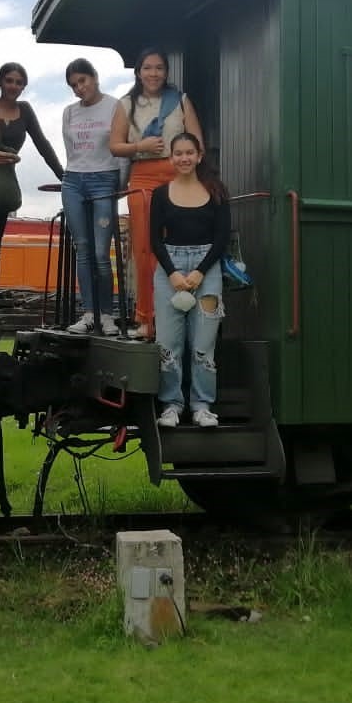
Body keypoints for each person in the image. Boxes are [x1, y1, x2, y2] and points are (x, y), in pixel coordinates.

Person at [109, 49, 203, 339]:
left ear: (166, 72)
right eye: (147, 68)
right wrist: (140, 146)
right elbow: (115, 146)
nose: (153, 73)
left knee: (179, 246)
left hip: (178, 176)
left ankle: (179, 317)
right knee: (145, 248)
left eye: (159, 68)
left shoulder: (181, 100)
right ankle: (147, 319)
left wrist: (186, 166)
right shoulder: (126, 104)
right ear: (138, 72)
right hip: (143, 177)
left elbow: (197, 141)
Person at [149, 132, 230, 428]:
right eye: (178, 153)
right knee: (168, 343)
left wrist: (199, 272)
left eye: (189, 153)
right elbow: (155, 240)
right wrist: (173, 273)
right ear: (171, 158)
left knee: (203, 341)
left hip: (207, 269)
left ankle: (202, 405)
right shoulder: (160, 194)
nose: (184, 158)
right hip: (169, 269)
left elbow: (221, 239)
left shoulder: (217, 192)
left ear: (199, 156)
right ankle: (171, 405)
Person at [0, 62, 65, 310]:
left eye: (19, 82)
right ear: (0, 82)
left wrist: (64, 177)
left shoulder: (25, 110)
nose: (14, 86)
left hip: (5, 183)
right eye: (9, 80)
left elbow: (42, 144)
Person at [60, 58, 121, 336]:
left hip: (104, 179)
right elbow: (71, 152)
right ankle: (87, 313)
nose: (78, 89)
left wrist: (121, 182)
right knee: (82, 249)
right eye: (73, 85)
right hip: (73, 180)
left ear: (95, 77)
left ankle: (106, 314)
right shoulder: (69, 112)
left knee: (100, 253)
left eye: (82, 81)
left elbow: (121, 147)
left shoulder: (115, 105)